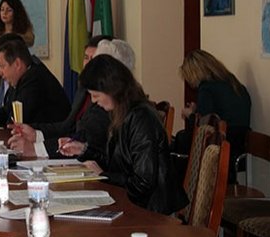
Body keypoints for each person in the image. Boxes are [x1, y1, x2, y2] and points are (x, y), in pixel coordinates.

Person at [59, 54, 188, 215]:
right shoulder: (121, 113)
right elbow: (116, 164)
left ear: (112, 89)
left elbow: (143, 183)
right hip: (134, 204)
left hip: (152, 212)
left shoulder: (141, 119)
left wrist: (104, 175)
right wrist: (84, 150)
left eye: (96, 95)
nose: (93, 101)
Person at [6, 35, 115, 158]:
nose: (88, 64)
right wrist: (36, 134)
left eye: (94, 58)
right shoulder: (83, 89)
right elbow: (68, 126)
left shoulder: (108, 98)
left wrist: (36, 149)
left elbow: (85, 138)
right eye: (86, 57)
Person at [175, 49, 251, 182]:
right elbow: (223, 112)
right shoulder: (235, 84)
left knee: (180, 139)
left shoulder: (206, 88)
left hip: (220, 143)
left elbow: (203, 127)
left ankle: (187, 186)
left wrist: (190, 115)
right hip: (241, 143)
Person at [0, 39, 70, 127]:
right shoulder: (21, 77)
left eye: (2, 66)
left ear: (17, 64)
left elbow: (15, 120)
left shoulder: (34, 80)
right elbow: (7, 110)